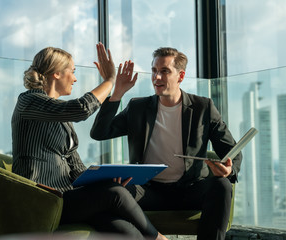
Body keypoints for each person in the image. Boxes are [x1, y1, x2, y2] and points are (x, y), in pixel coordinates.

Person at [11, 43, 167, 240]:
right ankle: (159, 238)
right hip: (44, 200)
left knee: (123, 229)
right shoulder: (29, 101)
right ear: (56, 73)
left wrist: (105, 180)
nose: (75, 78)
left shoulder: (60, 115)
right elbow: (81, 109)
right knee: (115, 194)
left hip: (67, 196)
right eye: (72, 71)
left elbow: (76, 168)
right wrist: (110, 80)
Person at [90, 47, 242, 240]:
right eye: (154, 71)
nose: (157, 77)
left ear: (180, 76)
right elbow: (99, 133)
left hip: (191, 189)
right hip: (149, 190)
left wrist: (229, 170)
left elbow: (232, 151)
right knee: (111, 193)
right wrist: (117, 93)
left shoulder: (203, 107)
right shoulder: (138, 107)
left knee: (222, 185)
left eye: (164, 71)